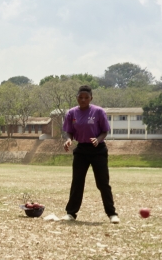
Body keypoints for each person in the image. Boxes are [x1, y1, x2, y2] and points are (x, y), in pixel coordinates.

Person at [46, 85, 119, 224]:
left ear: (91, 98)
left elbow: (105, 131)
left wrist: (97, 140)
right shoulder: (72, 113)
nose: (83, 100)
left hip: (98, 150)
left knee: (103, 183)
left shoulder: (98, 112)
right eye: (81, 97)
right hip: (81, 150)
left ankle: (112, 214)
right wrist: (68, 139)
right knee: (77, 182)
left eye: (86, 97)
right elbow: (69, 131)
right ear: (77, 98)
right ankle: (71, 213)